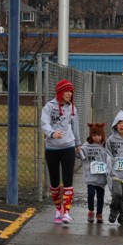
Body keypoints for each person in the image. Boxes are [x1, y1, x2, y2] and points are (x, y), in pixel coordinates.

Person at [41, 79, 80, 224]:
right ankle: (58, 209)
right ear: (60, 92)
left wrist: (78, 144)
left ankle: (67, 212)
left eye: (71, 91)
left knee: (68, 179)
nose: (69, 94)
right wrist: (51, 133)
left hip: (68, 147)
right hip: (52, 148)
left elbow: (75, 127)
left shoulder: (73, 108)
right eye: (66, 91)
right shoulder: (49, 107)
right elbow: (44, 123)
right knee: (55, 181)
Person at [79, 123, 107, 223]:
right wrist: (77, 151)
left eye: (99, 135)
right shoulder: (87, 146)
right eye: (94, 135)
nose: (97, 138)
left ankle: (99, 213)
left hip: (101, 177)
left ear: (102, 135)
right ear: (91, 135)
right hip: (90, 176)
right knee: (91, 194)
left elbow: (110, 158)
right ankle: (91, 211)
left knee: (100, 197)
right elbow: (81, 155)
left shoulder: (105, 146)